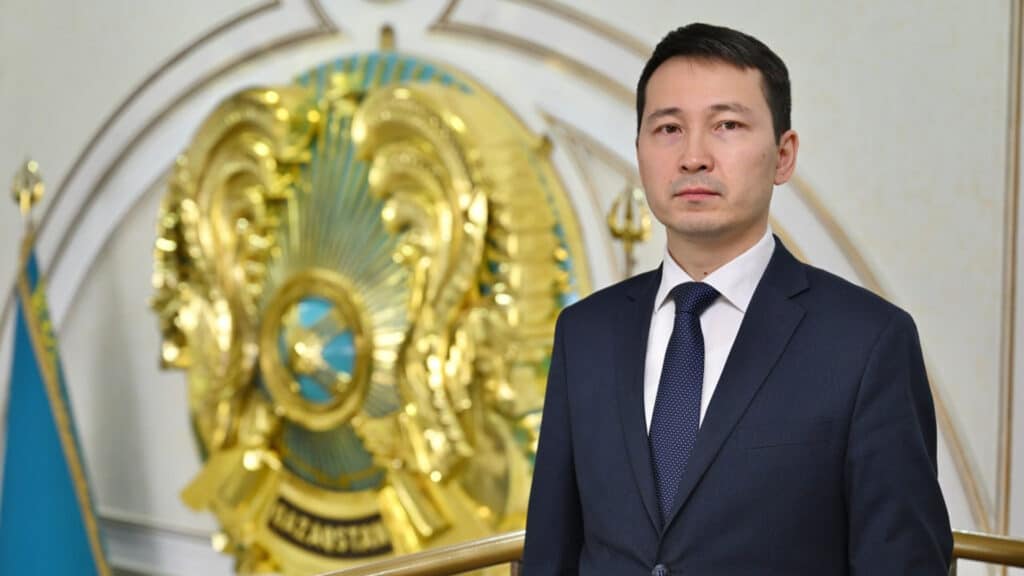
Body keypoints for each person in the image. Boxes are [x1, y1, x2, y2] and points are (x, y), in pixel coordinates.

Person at [521, 22, 952, 575]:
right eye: (668, 128)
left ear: (783, 155)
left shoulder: (866, 342)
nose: (693, 157)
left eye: (726, 125)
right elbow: (551, 552)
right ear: (640, 151)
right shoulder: (585, 332)